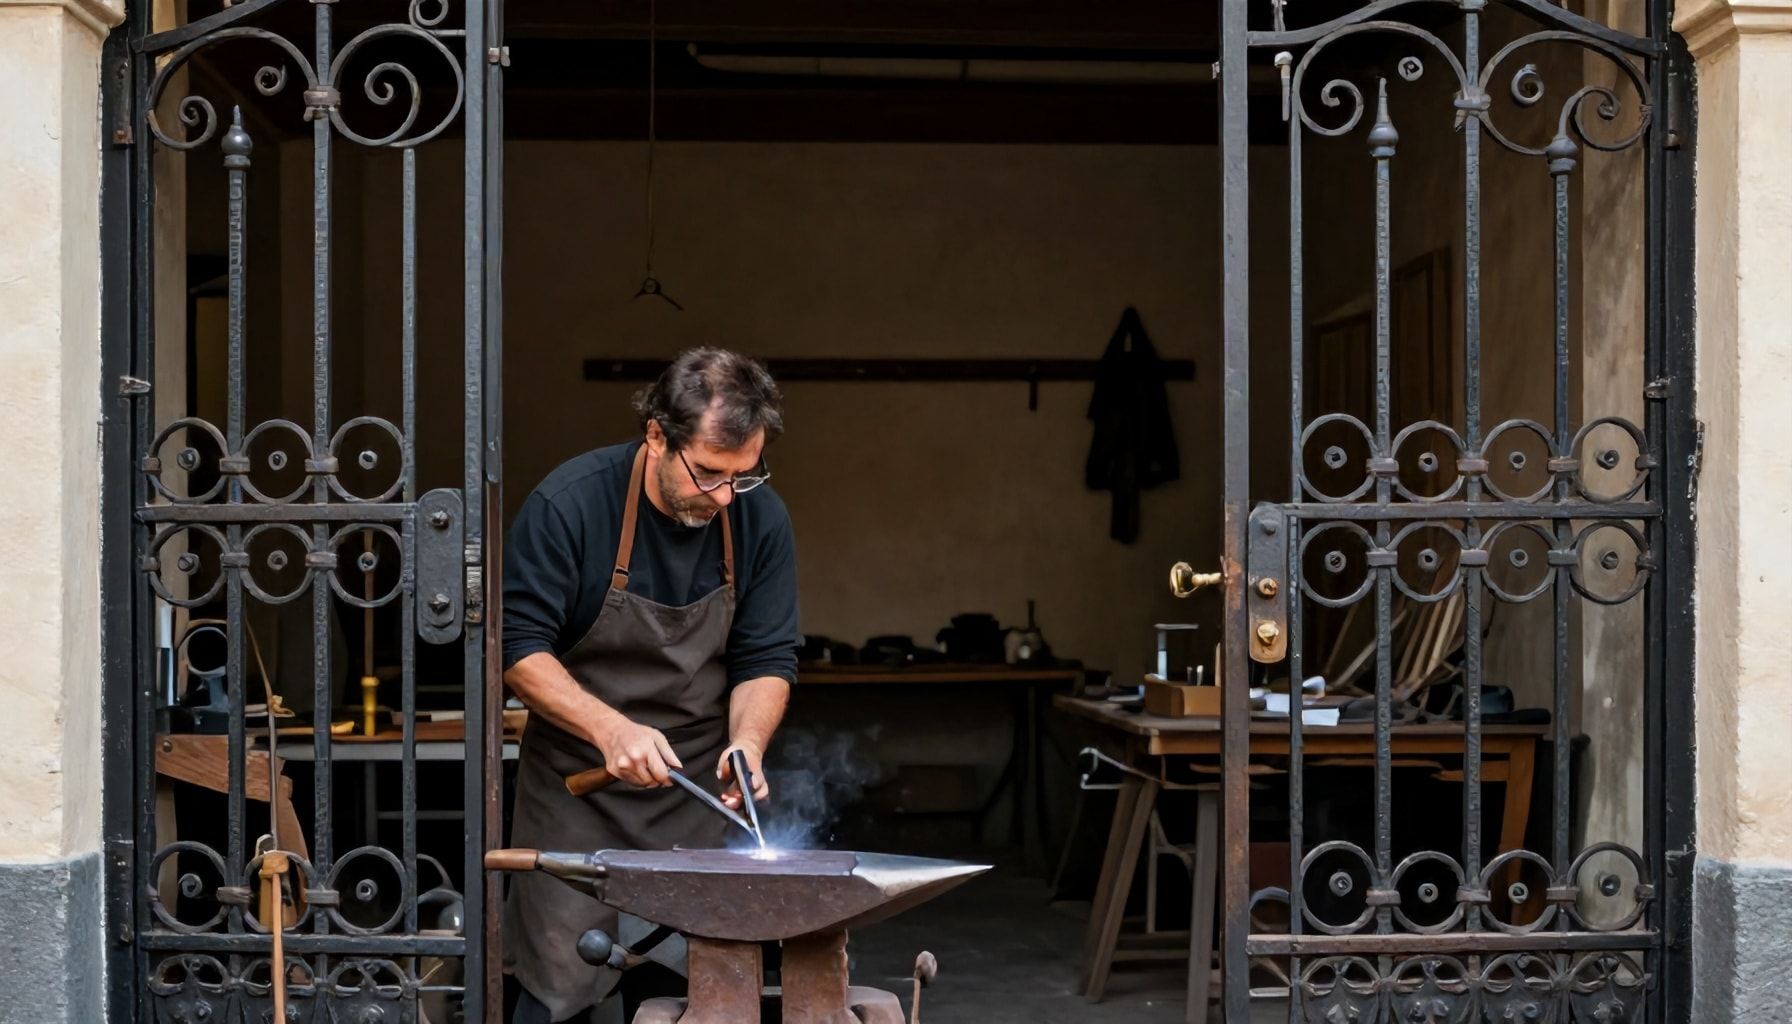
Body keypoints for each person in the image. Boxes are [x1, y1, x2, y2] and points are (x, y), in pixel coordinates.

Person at [500, 348, 799, 1022]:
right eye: (710, 474)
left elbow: (766, 658)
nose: (725, 496)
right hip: (579, 793)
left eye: (743, 476)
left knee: (692, 993)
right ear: (656, 435)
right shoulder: (570, 504)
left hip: (693, 796)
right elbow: (518, 651)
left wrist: (747, 744)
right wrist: (611, 730)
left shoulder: (759, 518)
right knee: (555, 993)